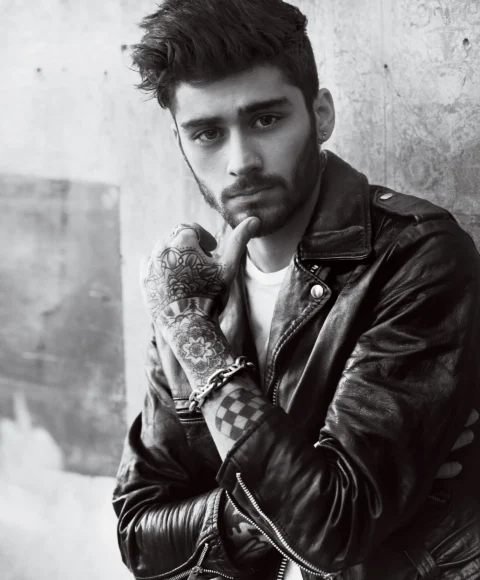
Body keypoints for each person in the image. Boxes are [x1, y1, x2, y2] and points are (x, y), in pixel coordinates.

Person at [112, 1, 480, 578]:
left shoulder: (414, 257)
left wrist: (194, 341)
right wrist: (297, 486)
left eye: (265, 120)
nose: (241, 161)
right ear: (181, 143)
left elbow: (332, 530)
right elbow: (139, 536)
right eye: (207, 133)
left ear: (321, 115)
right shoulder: (191, 293)